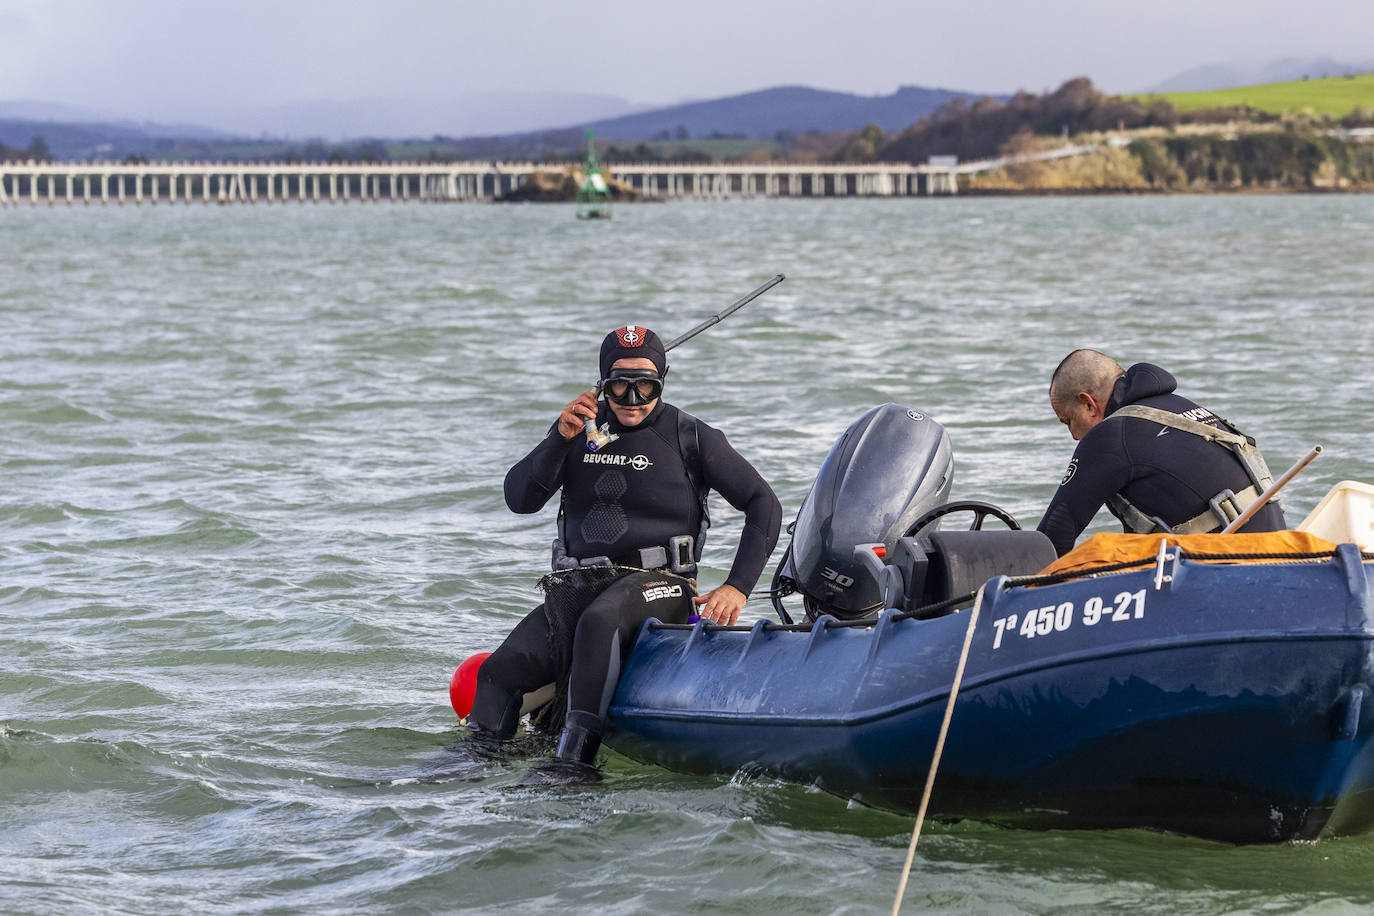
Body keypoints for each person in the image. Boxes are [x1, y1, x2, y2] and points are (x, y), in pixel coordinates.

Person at [468, 325, 782, 767]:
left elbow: (763, 504)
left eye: (646, 386)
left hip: (664, 587)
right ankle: (468, 764)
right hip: (578, 588)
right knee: (498, 673)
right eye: (620, 385)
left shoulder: (690, 436)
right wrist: (559, 438)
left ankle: (572, 764)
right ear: (601, 383)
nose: (633, 400)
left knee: (600, 621)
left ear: (663, 381)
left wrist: (737, 587)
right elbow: (519, 500)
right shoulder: (577, 430)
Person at [1037, 349, 1286, 556]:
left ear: (1088, 404)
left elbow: (1053, 537)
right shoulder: (1182, 407)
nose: (1074, 436)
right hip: (1281, 553)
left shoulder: (1113, 434)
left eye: (1067, 420)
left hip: (1231, 568)